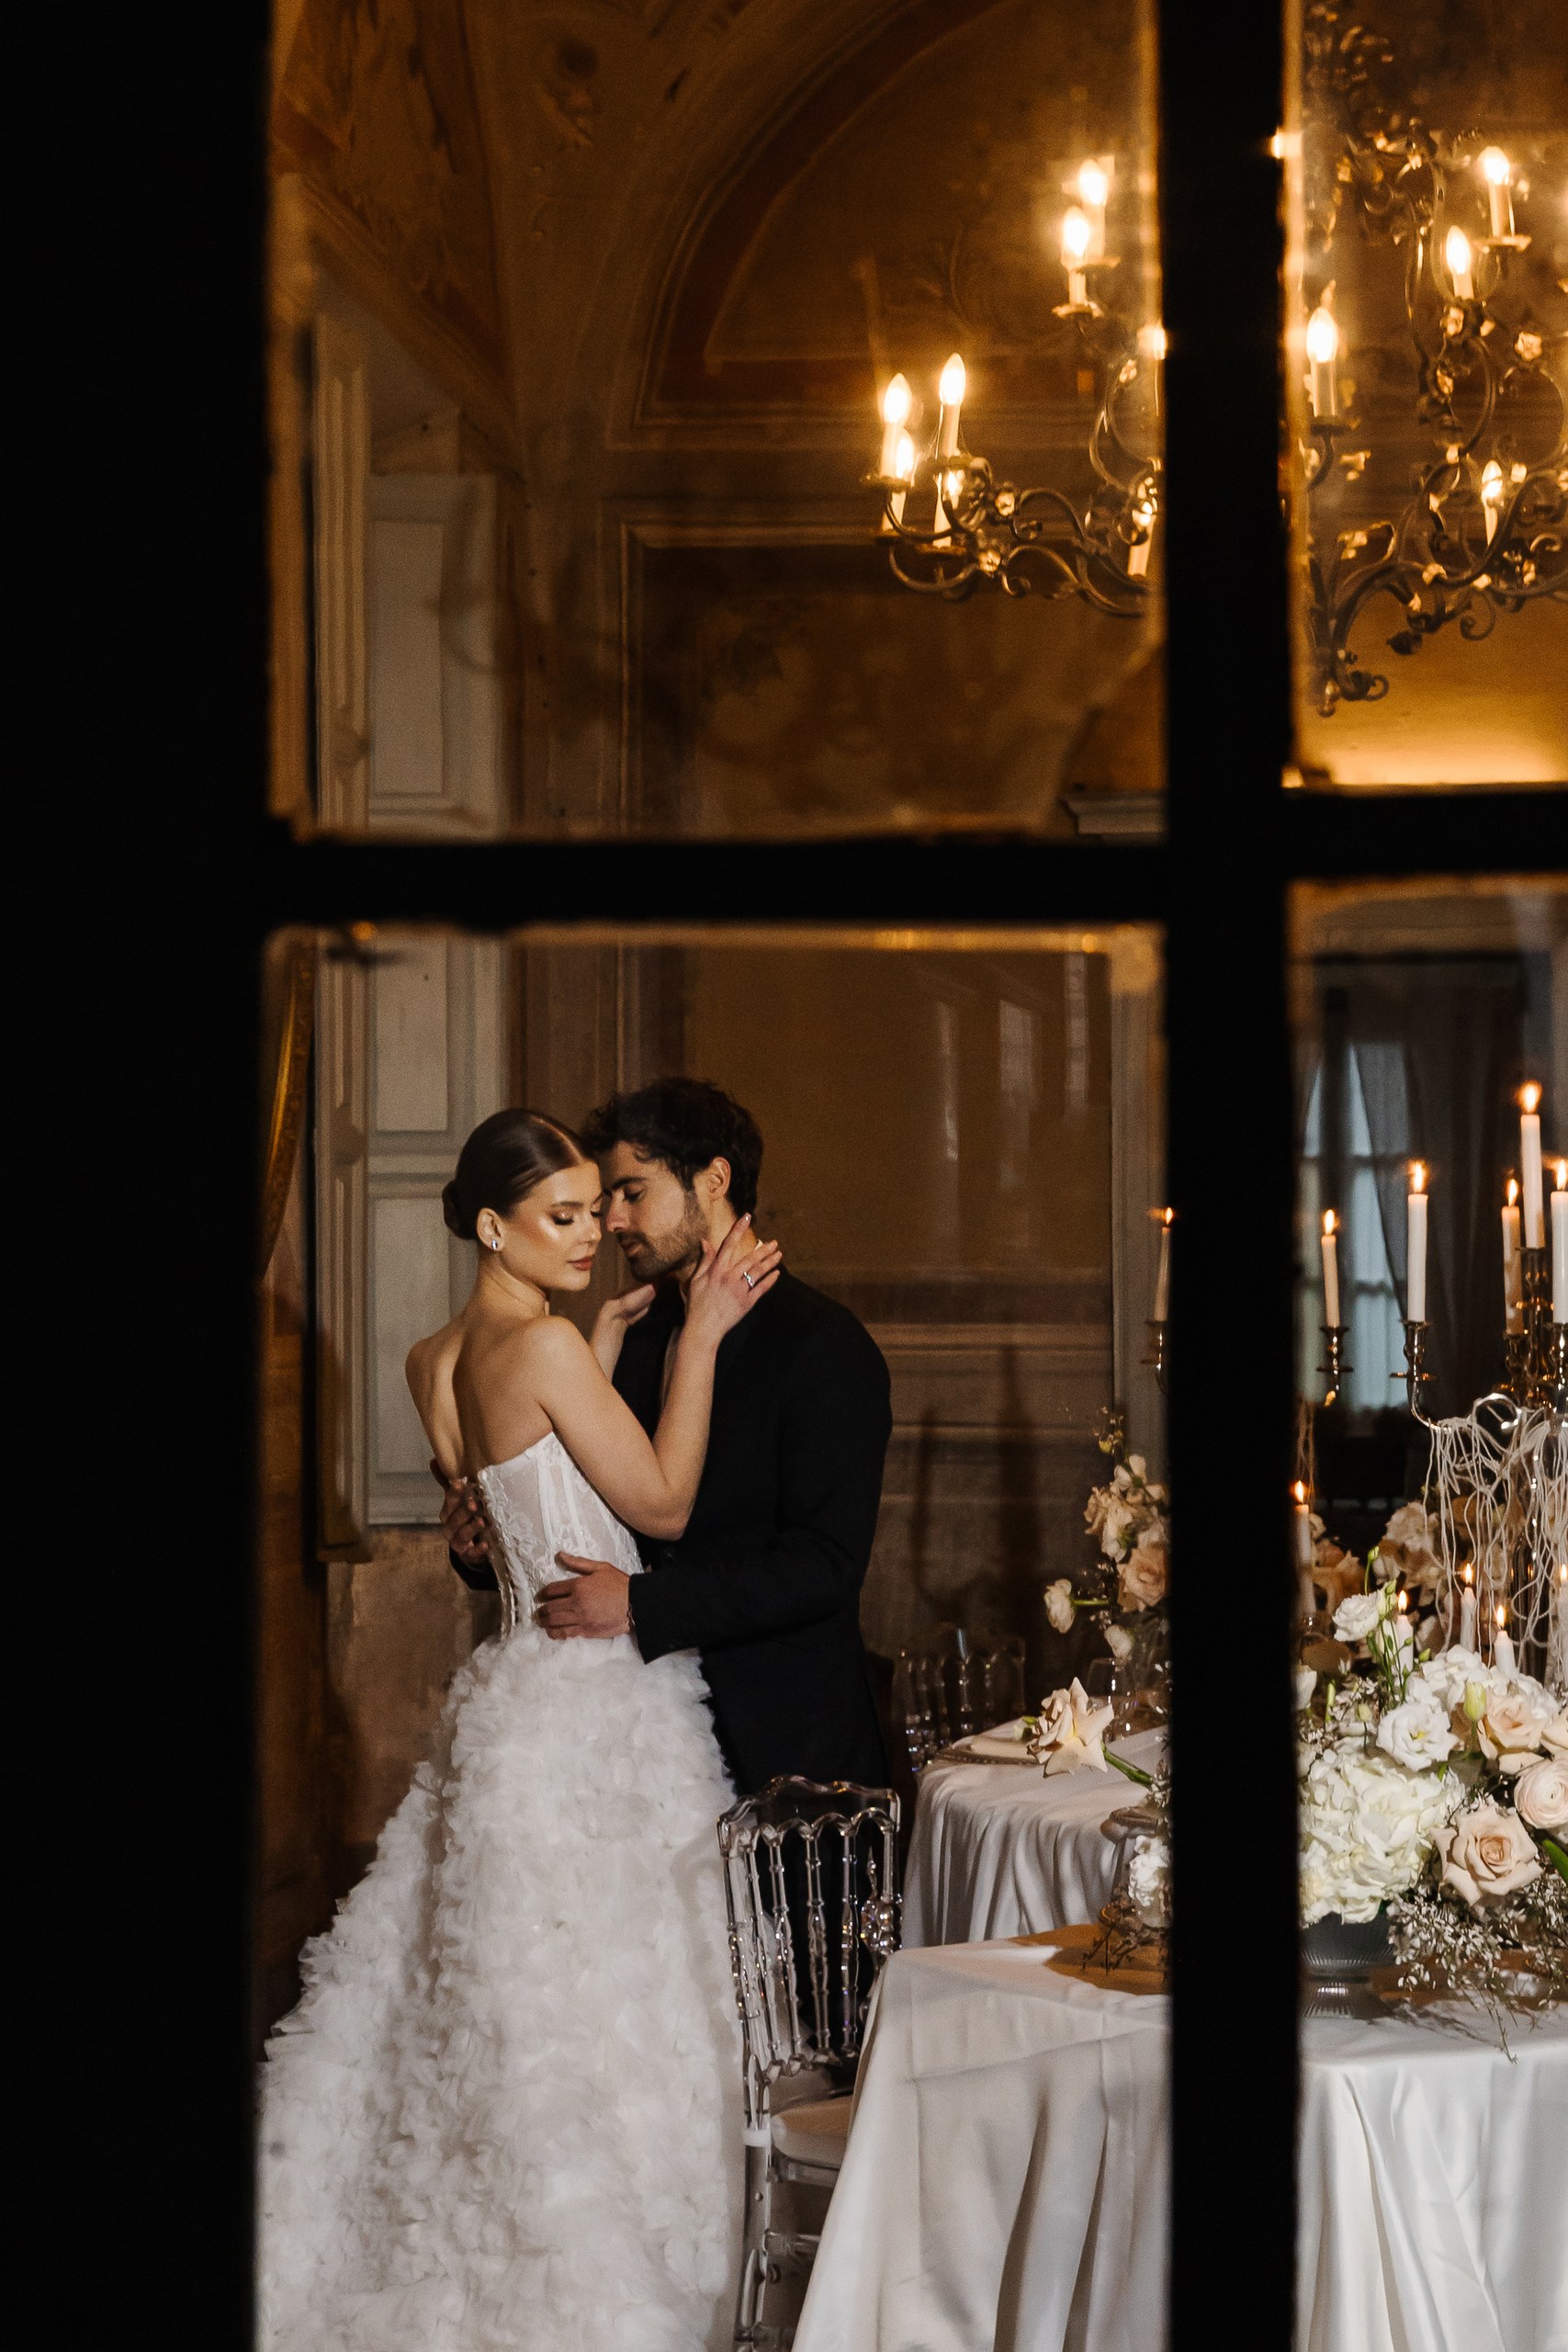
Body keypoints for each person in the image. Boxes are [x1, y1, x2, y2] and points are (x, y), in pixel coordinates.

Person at [258, 1108, 780, 2352]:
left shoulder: (429, 1357)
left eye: (599, 1208)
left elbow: (503, 1498)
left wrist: (598, 1347)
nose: (594, 1234)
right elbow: (660, 1505)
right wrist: (702, 1333)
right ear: (493, 1227)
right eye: (563, 1216)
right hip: (597, 1705)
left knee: (506, 1998)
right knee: (613, 2003)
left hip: (507, 1698)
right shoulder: (543, 1345)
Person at [443, 1079, 892, 1795]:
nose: (612, 1221)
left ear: (713, 1180)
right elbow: (584, 1513)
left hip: (786, 1743)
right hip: (642, 1746)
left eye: (631, 1193)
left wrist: (642, 1605)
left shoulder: (821, 1344)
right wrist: (483, 1537)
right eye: (602, 1203)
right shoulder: (635, 1334)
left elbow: (824, 1563)